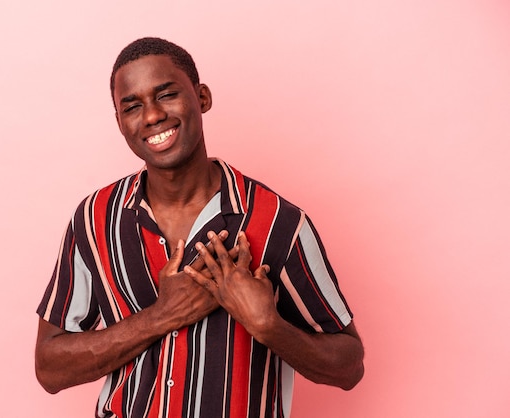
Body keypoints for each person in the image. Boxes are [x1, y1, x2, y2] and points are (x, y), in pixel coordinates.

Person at [35, 37, 364, 418]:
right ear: (120, 123)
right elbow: (49, 367)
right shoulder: (95, 219)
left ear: (202, 97)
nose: (153, 115)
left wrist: (269, 326)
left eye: (167, 94)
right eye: (133, 106)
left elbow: (349, 367)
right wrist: (161, 316)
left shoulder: (279, 223)